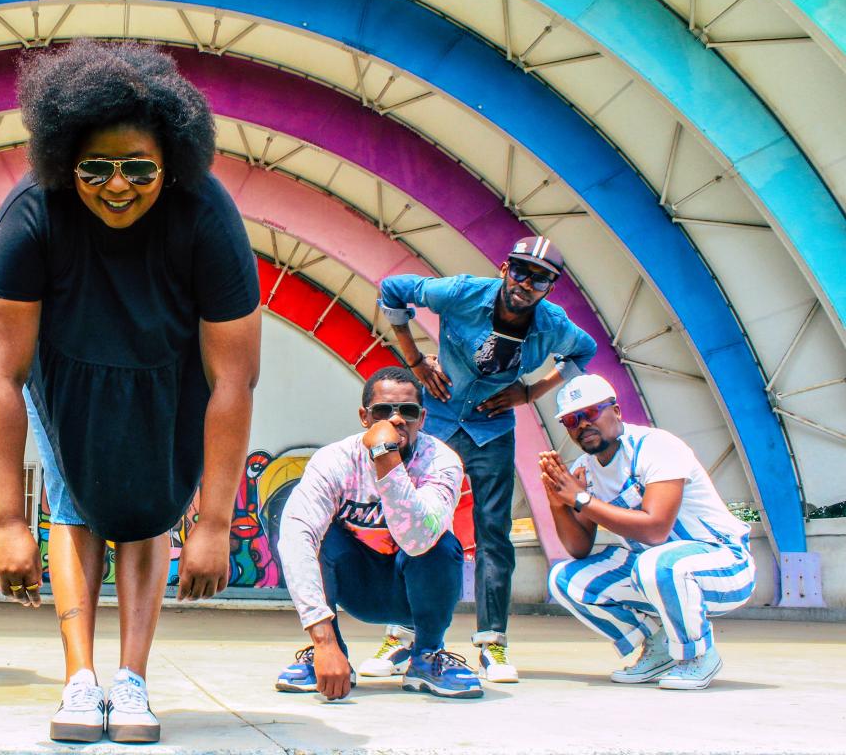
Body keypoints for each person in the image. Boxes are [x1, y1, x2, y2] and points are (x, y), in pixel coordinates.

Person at [0, 40, 261, 744]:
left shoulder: (209, 217)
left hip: (171, 371)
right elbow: (0, 376)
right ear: (65, 163)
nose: (117, 186)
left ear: (171, 166)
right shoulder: (30, 213)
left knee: (144, 509)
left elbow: (234, 376)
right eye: (95, 169)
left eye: (139, 168)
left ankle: (131, 680)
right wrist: (8, 520)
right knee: (76, 500)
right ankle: (81, 678)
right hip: (67, 368)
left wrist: (216, 524)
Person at [379, 236, 595, 682]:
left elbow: (583, 352)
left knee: (493, 533)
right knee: (413, 523)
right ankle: (402, 637)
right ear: (504, 267)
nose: (526, 283)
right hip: (436, 419)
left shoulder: (553, 325)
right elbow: (393, 289)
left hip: (492, 430)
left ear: (550, 288)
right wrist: (416, 361)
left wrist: (532, 391)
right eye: (520, 271)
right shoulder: (460, 292)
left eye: (540, 278)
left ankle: (492, 644)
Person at [274, 367, 480, 700]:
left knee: (441, 541)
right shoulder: (334, 461)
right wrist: (323, 640)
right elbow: (295, 534)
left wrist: (385, 458)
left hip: (415, 589)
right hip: (358, 586)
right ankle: (329, 656)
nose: (397, 420)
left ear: (422, 418)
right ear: (364, 417)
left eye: (408, 412)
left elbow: (418, 539)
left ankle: (426, 656)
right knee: (316, 536)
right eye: (383, 411)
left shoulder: (442, 461)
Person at [542, 374, 754, 690]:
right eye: (572, 420)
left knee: (657, 562)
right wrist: (558, 502)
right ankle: (659, 648)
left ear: (616, 411)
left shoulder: (656, 446)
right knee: (565, 579)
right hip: (651, 571)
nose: (582, 424)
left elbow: (656, 529)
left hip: (723, 563)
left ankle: (697, 655)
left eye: (590, 413)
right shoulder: (583, 470)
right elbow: (579, 547)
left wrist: (581, 499)